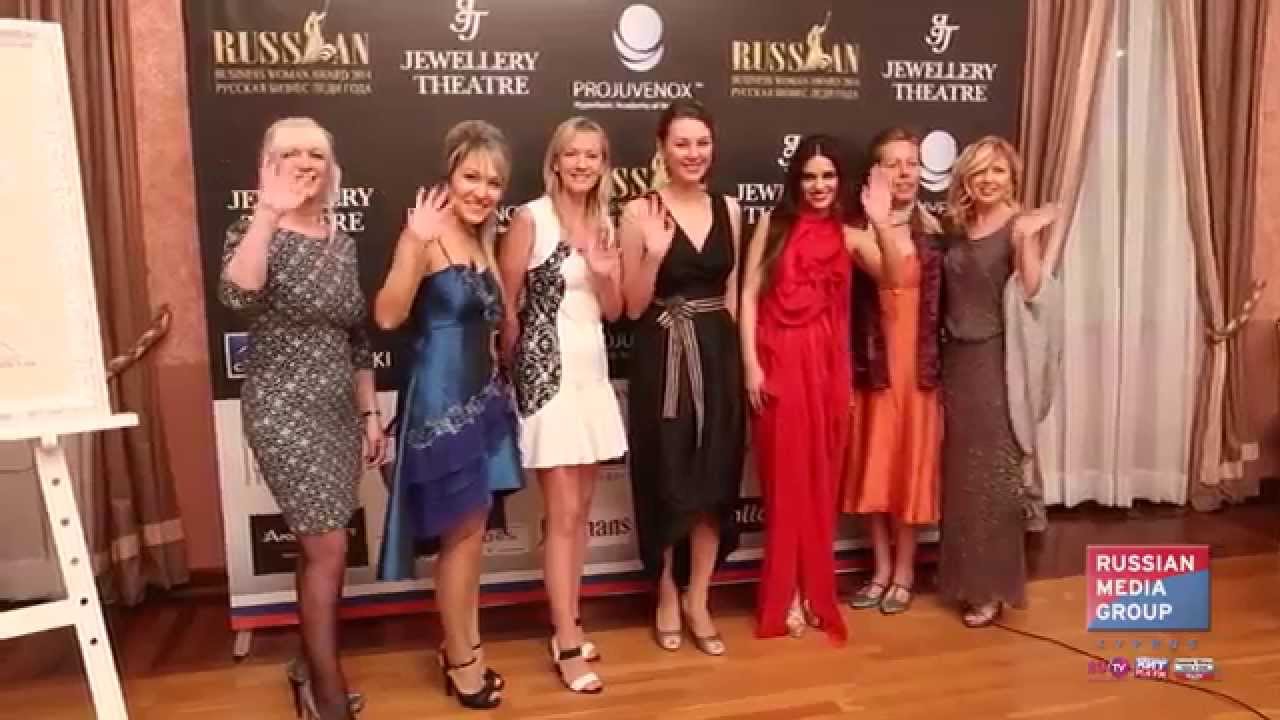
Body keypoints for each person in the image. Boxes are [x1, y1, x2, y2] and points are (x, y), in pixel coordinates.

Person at [218, 117, 381, 720]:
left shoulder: (341, 240)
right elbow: (237, 296)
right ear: (269, 163)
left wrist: (369, 412)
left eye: (317, 152)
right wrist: (267, 214)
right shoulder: (251, 229)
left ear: (331, 165)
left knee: (321, 549)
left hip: (338, 411)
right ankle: (327, 692)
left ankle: (308, 666)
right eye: (292, 152)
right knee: (329, 546)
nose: (306, 162)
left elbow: (357, 335)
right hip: (282, 410)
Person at [373, 120, 523, 709]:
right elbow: (387, 316)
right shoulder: (428, 235)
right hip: (440, 405)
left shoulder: (481, 240)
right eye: (471, 177)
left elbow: (491, 327)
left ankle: (467, 646)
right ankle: (462, 660)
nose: (482, 191)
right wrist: (412, 244)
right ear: (450, 175)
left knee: (471, 538)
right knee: (460, 537)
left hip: (480, 402)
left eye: (493, 182)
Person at [740, 134, 891, 643]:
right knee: (785, 487)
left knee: (820, 489)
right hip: (777, 364)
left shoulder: (850, 235)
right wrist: (750, 366)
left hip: (827, 372)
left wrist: (882, 220)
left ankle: (811, 590)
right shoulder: (773, 225)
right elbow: (748, 295)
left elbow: (894, 275)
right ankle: (783, 596)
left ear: (840, 181)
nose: (819, 185)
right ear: (796, 180)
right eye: (809, 176)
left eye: (828, 176)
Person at [497, 116, 626, 694]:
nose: (581, 164)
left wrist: (603, 275)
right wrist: (514, 379)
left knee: (580, 513)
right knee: (564, 512)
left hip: (591, 375)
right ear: (555, 160)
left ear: (603, 164)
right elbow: (507, 310)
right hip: (547, 380)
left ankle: (569, 621)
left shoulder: (604, 221)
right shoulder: (531, 218)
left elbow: (616, 310)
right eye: (572, 153)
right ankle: (567, 640)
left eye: (592, 155)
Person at [619, 99, 745, 657]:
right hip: (663, 353)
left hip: (718, 354)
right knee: (668, 476)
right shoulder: (638, 211)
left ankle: (700, 598)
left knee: (715, 478)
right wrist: (652, 254)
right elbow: (629, 305)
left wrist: (739, 365)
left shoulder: (730, 209)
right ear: (663, 148)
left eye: (702, 143)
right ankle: (667, 594)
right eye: (682, 143)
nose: (693, 153)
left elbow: (733, 295)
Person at [936, 135, 1058, 627]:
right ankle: (965, 582)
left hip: (995, 361)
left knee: (994, 479)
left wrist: (1026, 239)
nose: (988, 179)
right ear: (967, 177)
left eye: (998, 171)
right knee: (962, 481)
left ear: (1012, 178)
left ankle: (992, 590)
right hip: (955, 362)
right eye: (980, 171)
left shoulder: (1016, 227)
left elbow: (1034, 291)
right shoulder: (958, 225)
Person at [844, 128, 946, 616]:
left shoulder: (939, 229)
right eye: (893, 164)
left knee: (910, 471)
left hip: (920, 373)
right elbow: (885, 275)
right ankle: (880, 569)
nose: (905, 173)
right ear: (875, 173)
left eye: (912, 163)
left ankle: (905, 572)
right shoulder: (856, 230)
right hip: (876, 369)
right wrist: (881, 221)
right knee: (876, 468)